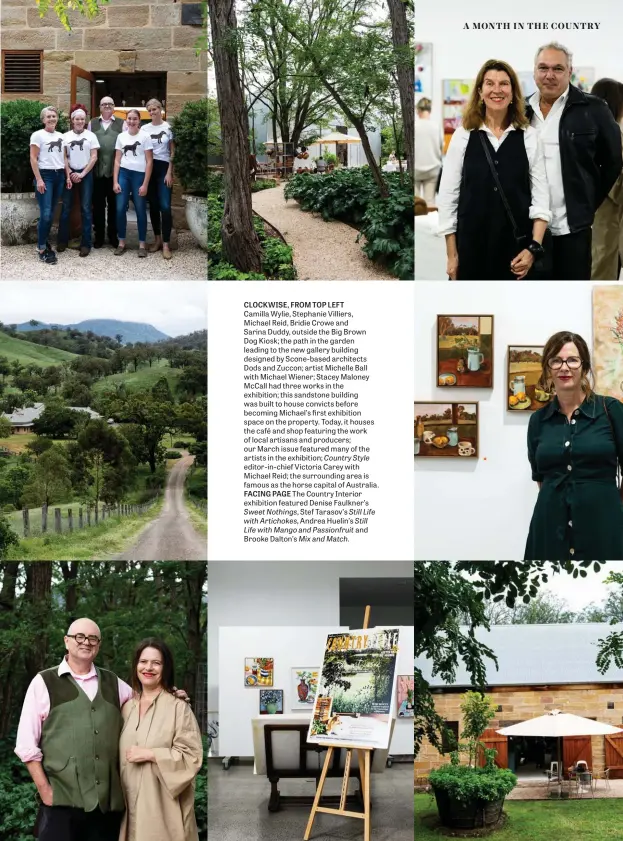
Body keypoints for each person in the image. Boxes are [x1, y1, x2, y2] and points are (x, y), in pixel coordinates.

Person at [15, 618, 130, 841]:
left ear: (99, 644)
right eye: (79, 636)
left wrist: (172, 695)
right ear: (67, 641)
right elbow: (26, 744)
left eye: (92, 638)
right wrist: (45, 791)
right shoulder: (43, 681)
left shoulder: (114, 683)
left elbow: (146, 703)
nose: (86, 642)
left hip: (106, 808)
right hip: (61, 804)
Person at [438, 59, 551, 280]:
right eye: (489, 83)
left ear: (513, 92)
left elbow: (541, 199)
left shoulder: (529, 136)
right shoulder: (463, 135)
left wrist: (532, 250)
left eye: (504, 84)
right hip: (471, 246)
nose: (497, 90)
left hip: (517, 250)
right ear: (480, 91)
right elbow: (448, 198)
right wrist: (452, 255)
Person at [526, 42, 623, 280]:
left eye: (558, 68)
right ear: (534, 71)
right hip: (528, 229)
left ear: (570, 72)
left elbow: (612, 161)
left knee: (573, 299)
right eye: (543, 68)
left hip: (573, 229)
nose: (549, 75)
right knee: (529, 299)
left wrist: (587, 201)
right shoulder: (520, 110)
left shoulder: (594, 109)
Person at [524, 331, 623, 561]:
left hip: (604, 525)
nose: (564, 367)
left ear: (584, 366)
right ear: (548, 368)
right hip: (549, 528)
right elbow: (541, 478)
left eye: (572, 360)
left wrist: (612, 508)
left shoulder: (610, 410)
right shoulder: (538, 420)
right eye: (556, 360)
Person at [119, 638, 202, 841]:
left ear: (165, 668)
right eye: (143, 661)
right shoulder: (126, 707)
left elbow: (192, 756)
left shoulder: (178, 707)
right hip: (126, 805)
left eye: (156, 663)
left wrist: (151, 754)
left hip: (162, 808)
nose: (149, 667)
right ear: (136, 665)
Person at [590, 78, 623, 280]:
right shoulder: (612, 134)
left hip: (599, 218)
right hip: (606, 217)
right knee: (601, 274)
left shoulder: (587, 131)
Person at [59, 104, 100, 257]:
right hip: (69, 173)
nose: (80, 121)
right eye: (77, 119)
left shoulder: (91, 136)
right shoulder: (65, 136)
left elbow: (94, 156)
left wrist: (82, 174)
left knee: (86, 208)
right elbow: (62, 156)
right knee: (66, 207)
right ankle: (62, 240)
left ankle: (86, 244)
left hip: (86, 173)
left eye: (82, 119)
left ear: (85, 120)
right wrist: (69, 172)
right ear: (72, 120)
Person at [113, 109, 153, 257]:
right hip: (124, 174)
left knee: (140, 209)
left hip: (139, 175)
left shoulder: (145, 137)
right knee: (119, 208)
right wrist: (115, 181)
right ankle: (121, 242)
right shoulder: (121, 137)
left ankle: (142, 244)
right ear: (126, 120)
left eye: (134, 119)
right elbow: (117, 160)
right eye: (129, 118)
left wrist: (145, 184)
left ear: (139, 121)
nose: (131, 121)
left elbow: (149, 162)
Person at [29, 106, 66, 265]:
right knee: (45, 214)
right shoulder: (38, 135)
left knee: (51, 213)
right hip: (45, 176)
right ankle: (42, 248)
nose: (52, 118)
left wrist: (67, 175)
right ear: (43, 120)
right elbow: (33, 158)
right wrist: (39, 180)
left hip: (59, 176)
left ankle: (43, 241)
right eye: (48, 116)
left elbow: (63, 157)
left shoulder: (61, 136)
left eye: (54, 116)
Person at [89, 97, 124, 249]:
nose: (107, 106)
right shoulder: (92, 123)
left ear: (114, 106)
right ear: (100, 107)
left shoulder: (122, 123)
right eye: (104, 104)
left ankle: (113, 236)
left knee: (114, 206)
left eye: (110, 103)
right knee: (97, 207)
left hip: (114, 172)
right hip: (96, 173)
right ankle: (99, 237)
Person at [142, 99, 175, 260]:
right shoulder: (144, 128)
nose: (152, 112)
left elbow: (172, 152)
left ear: (160, 109)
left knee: (165, 206)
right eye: (150, 110)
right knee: (154, 206)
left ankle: (167, 244)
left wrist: (170, 172)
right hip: (149, 168)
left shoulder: (168, 127)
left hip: (163, 168)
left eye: (155, 109)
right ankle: (157, 240)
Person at [414, 98, 443, 206]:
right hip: (433, 169)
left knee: (415, 203)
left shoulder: (413, 126)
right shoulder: (436, 126)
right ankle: (431, 222)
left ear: (418, 110)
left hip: (415, 169)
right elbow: (441, 147)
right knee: (430, 202)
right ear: (430, 110)